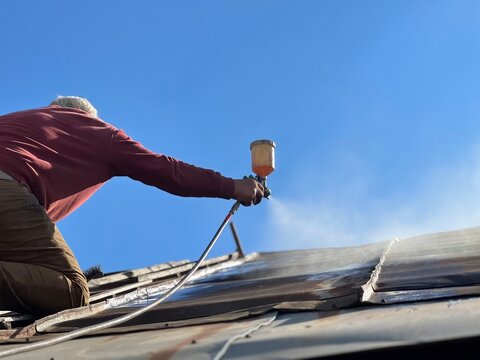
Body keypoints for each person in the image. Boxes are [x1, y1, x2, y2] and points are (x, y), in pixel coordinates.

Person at [0, 96, 264, 316]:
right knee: (71, 290)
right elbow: (167, 171)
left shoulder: (17, 119)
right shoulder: (98, 132)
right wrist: (232, 187)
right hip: (7, 189)